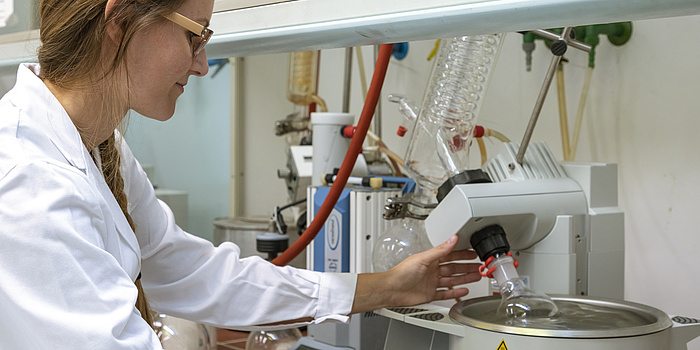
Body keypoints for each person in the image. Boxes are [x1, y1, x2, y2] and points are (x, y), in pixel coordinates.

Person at [0, 0, 482, 348]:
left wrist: (388, 287)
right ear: (121, 20)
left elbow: (192, 273)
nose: (203, 64)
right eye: (195, 34)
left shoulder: (98, 144)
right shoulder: (32, 183)